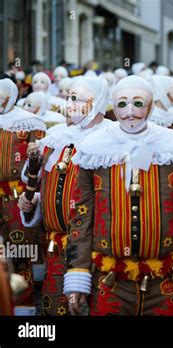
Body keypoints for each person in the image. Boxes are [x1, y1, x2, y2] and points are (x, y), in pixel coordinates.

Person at [63, 76, 173, 315]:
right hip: (110, 279)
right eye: (122, 104)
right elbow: (81, 218)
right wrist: (78, 276)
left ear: (150, 106)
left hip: (165, 276)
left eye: (138, 104)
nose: (129, 112)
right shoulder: (94, 148)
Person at [17, 76, 113, 316]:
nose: (69, 105)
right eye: (69, 98)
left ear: (97, 101)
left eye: (77, 99)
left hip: (94, 248)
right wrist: (35, 202)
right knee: (53, 310)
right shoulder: (58, 138)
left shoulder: (112, 140)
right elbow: (49, 185)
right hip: (57, 245)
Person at [0, 77, 46, 315]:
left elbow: (37, 163)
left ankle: (23, 304)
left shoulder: (28, 122)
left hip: (15, 193)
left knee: (20, 247)